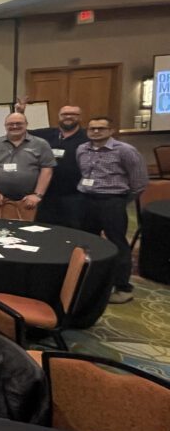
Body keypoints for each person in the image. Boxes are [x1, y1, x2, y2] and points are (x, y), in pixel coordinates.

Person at [76, 116, 148, 302]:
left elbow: (139, 183)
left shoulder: (125, 151)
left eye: (101, 128)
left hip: (112, 202)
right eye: (92, 128)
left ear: (111, 131)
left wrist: (120, 201)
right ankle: (87, 282)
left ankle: (123, 288)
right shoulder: (82, 149)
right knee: (86, 243)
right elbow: (84, 174)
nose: (96, 131)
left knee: (117, 244)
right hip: (86, 200)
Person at [0, 112, 56, 213]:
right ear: (5, 126)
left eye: (19, 123)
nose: (14, 126)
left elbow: (47, 170)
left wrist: (37, 195)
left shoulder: (41, 144)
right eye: (10, 124)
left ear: (26, 124)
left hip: (30, 200)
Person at [31, 105, 88, 228]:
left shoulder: (87, 137)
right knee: (43, 229)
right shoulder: (47, 134)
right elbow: (22, 132)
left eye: (73, 114)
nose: (68, 117)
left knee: (74, 230)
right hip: (47, 195)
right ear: (59, 117)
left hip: (75, 195)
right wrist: (20, 111)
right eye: (65, 114)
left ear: (80, 117)